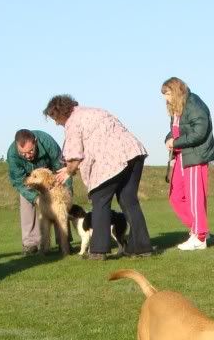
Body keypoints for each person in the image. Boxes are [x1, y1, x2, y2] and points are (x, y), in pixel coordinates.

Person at [46, 95, 153, 260]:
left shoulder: (73, 122)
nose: (56, 122)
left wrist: (68, 171)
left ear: (60, 113)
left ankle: (98, 250)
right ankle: (141, 247)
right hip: (134, 152)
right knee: (129, 200)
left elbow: (74, 155)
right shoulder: (95, 111)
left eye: (55, 117)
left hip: (110, 161)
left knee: (100, 200)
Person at [161, 77, 214, 251]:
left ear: (177, 91)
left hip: (195, 156)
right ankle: (200, 229)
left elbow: (200, 131)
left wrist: (176, 143)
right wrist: (168, 140)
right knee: (175, 196)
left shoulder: (193, 103)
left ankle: (199, 236)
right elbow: (175, 131)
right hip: (181, 156)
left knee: (195, 197)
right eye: (164, 95)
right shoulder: (177, 108)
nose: (165, 98)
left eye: (168, 93)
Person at [6, 129, 72, 254]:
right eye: (23, 153)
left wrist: (66, 193)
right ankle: (30, 244)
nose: (28, 155)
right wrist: (36, 198)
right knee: (25, 199)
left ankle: (64, 242)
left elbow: (61, 168)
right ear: (16, 146)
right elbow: (19, 182)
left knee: (60, 208)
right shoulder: (12, 154)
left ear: (35, 141)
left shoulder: (47, 142)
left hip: (51, 177)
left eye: (30, 151)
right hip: (28, 181)